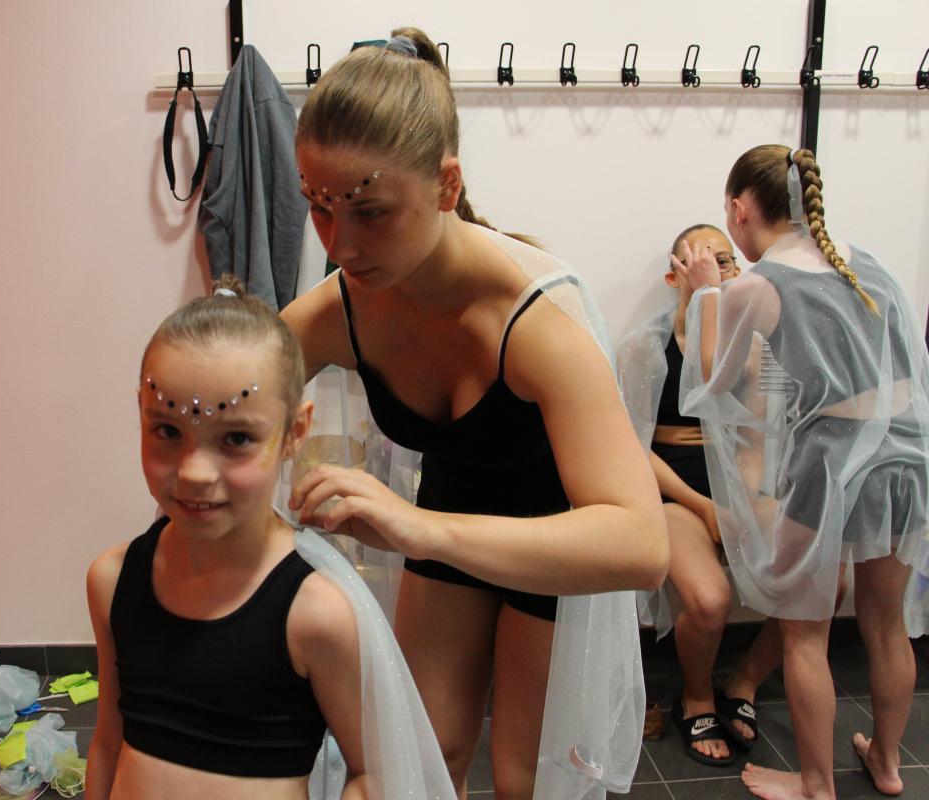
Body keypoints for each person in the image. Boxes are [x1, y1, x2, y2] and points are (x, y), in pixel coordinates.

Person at [281, 28, 668, 798]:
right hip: (450, 511)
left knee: (528, 782)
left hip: (560, 537)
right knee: (419, 760)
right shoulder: (342, 309)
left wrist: (418, 529)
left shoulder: (538, 320)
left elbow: (641, 543)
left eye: (370, 211)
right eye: (318, 208)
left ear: (446, 185)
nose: (341, 244)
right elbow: (233, 380)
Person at [84, 276, 453, 800]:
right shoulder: (112, 581)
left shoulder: (315, 615)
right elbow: (108, 741)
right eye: (167, 431)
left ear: (295, 432)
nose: (193, 472)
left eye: (236, 438)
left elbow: (374, 774)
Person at [675, 144, 929, 799]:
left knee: (805, 633)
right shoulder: (864, 261)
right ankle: (888, 764)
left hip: (830, 467)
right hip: (906, 462)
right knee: (886, 626)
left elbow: (714, 383)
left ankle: (816, 784)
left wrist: (707, 294)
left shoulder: (757, 286)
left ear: (739, 209)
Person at [619, 225, 788, 766]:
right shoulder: (644, 347)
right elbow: (632, 449)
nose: (713, 270)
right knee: (710, 599)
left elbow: (762, 438)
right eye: (699, 261)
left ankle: (744, 681)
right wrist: (705, 507)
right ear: (675, 276)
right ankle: (696, 696)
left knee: (822, 582)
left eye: (725, 261)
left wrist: (746, 505)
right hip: (676, 490)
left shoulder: (757, 345)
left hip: (740, 482)